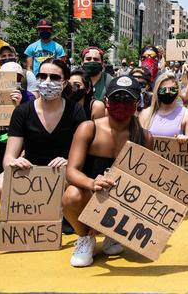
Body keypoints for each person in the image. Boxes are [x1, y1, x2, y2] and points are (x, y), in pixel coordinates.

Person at [62, 76, 153, 267]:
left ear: (137, 103)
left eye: (128, 99)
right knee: (71, 195)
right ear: (107, 101)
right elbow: (71, 171)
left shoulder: (144, 137)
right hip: (89, 196)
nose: (122, 103)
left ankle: (115, 234)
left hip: (122, 203)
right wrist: (92, 183)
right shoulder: (89, 128)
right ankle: (85, 237)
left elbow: (147, 182)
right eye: (117, 98)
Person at [0, 59, 86, 202]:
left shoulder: (76, 111)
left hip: (63, 172)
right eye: (42, 76)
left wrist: (69, 162)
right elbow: (9, 158)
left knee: (75, 192)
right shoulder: (22, 111)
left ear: (64, 83)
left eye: (54, 77)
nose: (47, 81)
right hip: (30, 171)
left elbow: (82, 155)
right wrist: (15, 163)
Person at [0, 62, 34, 183]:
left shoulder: (29, 97)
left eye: (16, 78)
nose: (11, 82)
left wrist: (18, 107)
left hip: (19, 144)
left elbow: (32, 127)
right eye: (7, 77)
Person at [139, 72, 188, 140]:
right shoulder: (145, 113)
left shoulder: (187, 115)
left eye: (172, 89)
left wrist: (185, 140)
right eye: (163, 90)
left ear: (178, 91)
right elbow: (139, 143)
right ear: (157, 91)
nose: (167, 92)